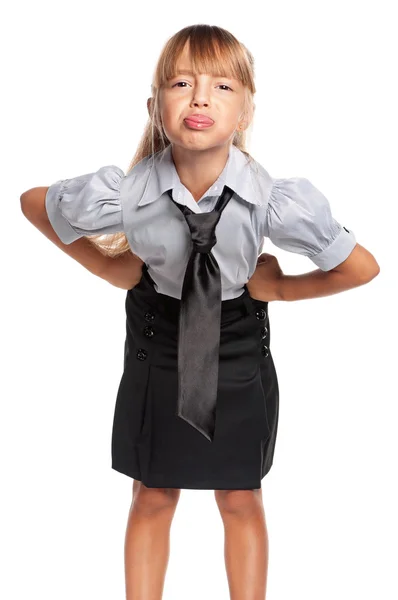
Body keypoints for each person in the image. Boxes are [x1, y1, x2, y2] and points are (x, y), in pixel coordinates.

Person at [20, 23, 379, 600]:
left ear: (246, 111)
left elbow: (360, 268)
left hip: (236, 345)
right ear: (154, 105)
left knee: (240, 495)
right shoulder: (127, 194)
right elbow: (35, 204)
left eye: (222, 86)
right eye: (182, 82)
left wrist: (282, 289)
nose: (200, 98)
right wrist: (107, 266)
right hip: (158, 341)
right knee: (151, 492)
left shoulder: (273, 202)